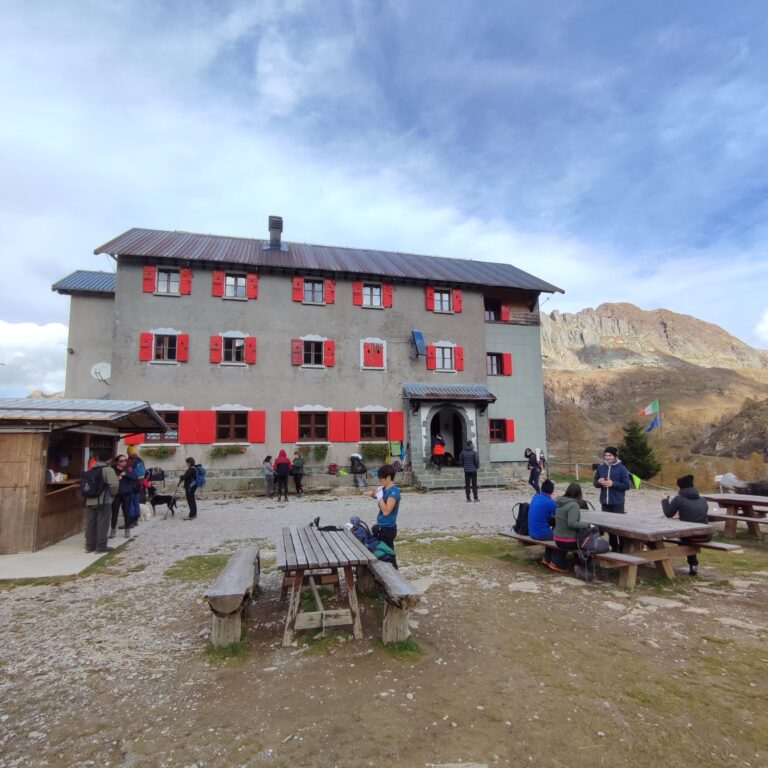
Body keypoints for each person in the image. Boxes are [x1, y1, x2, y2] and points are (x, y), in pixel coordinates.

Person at [662, 474, 712, 576]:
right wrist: (681, 516)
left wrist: (664, 500)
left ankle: (661, 562)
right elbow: (696, 515)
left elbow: (668, 514)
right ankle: (693, 565)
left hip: (690, 536)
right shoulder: (702, 500)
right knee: (689, 534)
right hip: (706, 535)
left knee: (686, 537)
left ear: (680, 487)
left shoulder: (678, 499)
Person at [550, 482, 593, 581]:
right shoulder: (573, 505)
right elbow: (572, 523)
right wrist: (588, 525)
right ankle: (580, 566)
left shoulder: (560, 502)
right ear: (579, 493)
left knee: (580, 540)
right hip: (567, 541)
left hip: (557, 537)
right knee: (589, 544)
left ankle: (566, 562)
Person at [593, 446, 632, 551]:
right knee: (609, 528)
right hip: (604, 502)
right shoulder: (601, 468)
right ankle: (613, 548)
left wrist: (613, 484)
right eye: (606, 455)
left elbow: (627, 485)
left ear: (615, 456)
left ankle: (623, 548)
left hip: (617, 502)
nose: (608, 457)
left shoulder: (622, 469)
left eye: (610, 455)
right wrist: (599, 482)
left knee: (619, 528)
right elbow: (595, 483)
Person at [84, 450, 120, 553]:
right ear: (109, 460)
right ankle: (101, 546)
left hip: (90, 500)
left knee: (91, 524)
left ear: (97, 458)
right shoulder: (108, 470)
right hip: (104, 500)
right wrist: (113, 495)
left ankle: (89, 546)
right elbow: (114, 485)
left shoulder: (91, 469)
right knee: (103, 523)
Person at [369, 463, 400, 551]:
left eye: (381, 477)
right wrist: (373, 494)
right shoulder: (384, 489)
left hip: (388, 528)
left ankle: (393, 565)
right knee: (381, 553)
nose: (379, 480)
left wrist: (379, 497)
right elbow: (373, 494)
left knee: (388, 554)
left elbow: (386, 512)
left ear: (389, 477)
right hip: (381, 526)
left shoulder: (393, 492)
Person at [528, 479, 557, 564]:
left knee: (553, 530)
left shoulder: (536, 497)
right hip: (541, 534)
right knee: (561, 536)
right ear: (552, 491)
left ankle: (547, 558)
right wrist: (555, 500)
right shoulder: (550, 502)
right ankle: (554, 560)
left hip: (531, 532)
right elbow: (560, 514)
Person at [126, 446, 146, 528]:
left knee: (131, 503)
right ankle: (136, 520)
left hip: (131, 484)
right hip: (139, 484)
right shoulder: (140, 460)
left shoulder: (130, 461)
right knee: (136, 502)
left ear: (129, 452)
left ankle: (131, 521)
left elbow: (129, 473)